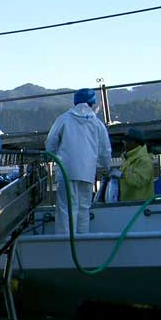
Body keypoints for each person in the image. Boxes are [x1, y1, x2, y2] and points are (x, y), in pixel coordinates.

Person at [45, 88, 111, 234]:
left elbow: (50, 143)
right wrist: (107, 168)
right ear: (92, 103)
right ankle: (82, 244)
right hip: (87, 174)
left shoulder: (64, 119)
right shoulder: (97, 124)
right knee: (83, 210)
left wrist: (50, 156)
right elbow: (105, 151)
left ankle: (64, 245)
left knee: (65, 211)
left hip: (66, 172)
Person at [119, 128, 154, 201]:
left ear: (135, 142)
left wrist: (121, 175)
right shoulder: (128, 158)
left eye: (126, 140)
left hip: (140, 206)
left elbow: (139, 180)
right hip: (128, 205)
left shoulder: (144, 160)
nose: (124, 143)